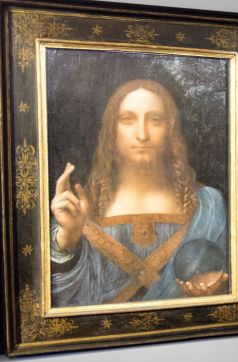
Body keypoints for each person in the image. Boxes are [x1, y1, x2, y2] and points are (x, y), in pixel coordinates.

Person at [49, 78, 228, 307]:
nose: (142, 134)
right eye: (128, 119)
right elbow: (61, 300)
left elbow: (230, 281)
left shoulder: (208, 205)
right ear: (111, 132)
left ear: (170, 131)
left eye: (155, 120)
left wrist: (215, 291)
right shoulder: (79, 210)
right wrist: (67, 238)